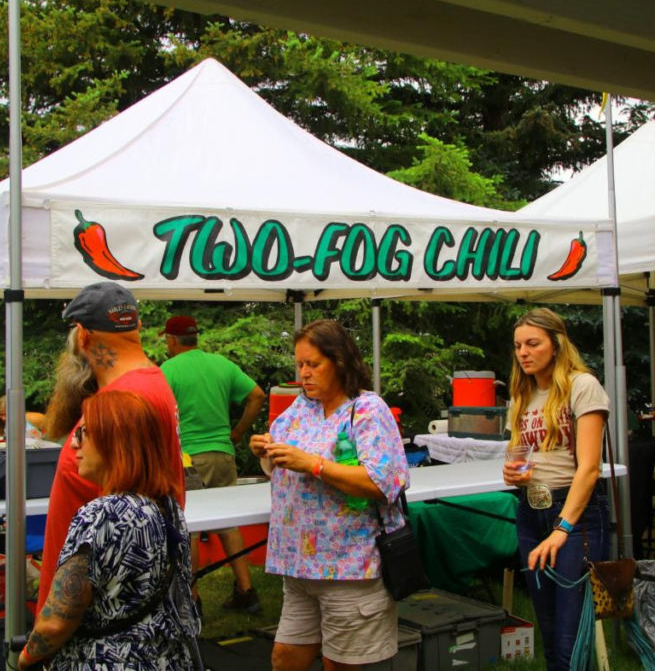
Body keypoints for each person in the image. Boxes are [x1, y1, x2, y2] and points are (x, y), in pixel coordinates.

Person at [249, 319, 408, 670]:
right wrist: (265, 452)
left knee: (341, 666)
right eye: (300, 364)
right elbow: (278, 467)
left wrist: (314, 464)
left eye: (313, 364)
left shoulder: (367, 409)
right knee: (285, 658)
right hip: (299, 564)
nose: (304, 373)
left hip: (349, 565)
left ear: (339, 362)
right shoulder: (300, 409)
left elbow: (383, 482)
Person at [18, 390, 200, 670]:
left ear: (114, 442)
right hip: (166, 659)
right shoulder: (166, 505)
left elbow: (55, 622)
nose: (74, 445)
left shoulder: (101, 515)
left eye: (83, 434)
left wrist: (24, 659)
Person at [38, 282, 183, 613]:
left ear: (83, 336)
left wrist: (56, 622)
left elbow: (123, 526)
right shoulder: (146, 384)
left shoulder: (127, 402)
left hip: (91, 612)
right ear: (139, 327)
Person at [501, 308, 609, 671]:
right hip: (531, 512)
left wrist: (562, 529)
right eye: (518, 346)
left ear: (557, 345)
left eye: (533, 344)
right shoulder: (522, 394)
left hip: (574, 516)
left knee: (570, 638)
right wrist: (513, 474)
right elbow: (522, 456)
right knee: (549, 630)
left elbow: (589, 469)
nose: (523, 353)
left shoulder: (582, 386)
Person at [159, 314, 267, 613]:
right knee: (228, 523)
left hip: (189, 459)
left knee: (189, 524)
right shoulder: (222, 364)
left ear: (171, 340)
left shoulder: (168, 370)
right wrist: (237, 432)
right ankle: (246, 592)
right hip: (223, 453)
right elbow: (257, 395)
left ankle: (192, 599)